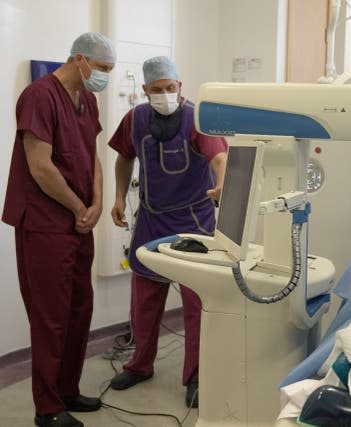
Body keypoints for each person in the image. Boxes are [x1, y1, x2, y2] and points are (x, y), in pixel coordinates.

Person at [2, 32, 116, 427]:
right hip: (45, 224)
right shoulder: (39, 96)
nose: (104, 77)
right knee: (50, 316)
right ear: (80, 59)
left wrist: (98, 203)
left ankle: (68, 389)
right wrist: (79, 207)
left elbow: (93, 157)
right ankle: (47, 408)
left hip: (78, 222)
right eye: (102, 68)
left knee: (79, 309)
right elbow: (40, 165)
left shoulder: (88, 99)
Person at [107, 56, 227, 408]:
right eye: (156, 90)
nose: (164, 95)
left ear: (181, 87)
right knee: (144, 300)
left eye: (170, 89)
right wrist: (117, 197)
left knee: (195, 303)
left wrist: (222, 186)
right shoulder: (135, 119)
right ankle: (140, 365)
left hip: (194, 221)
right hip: (151, 218)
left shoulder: (196, 119)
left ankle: (196, 376)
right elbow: (123, 157)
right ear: (144, 90)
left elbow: (219, 158)